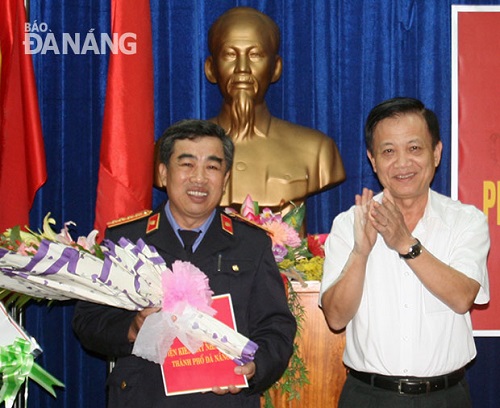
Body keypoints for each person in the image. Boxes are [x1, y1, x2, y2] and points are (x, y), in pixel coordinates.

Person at [73, 119, 296, 408]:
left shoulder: (250, 243)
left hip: (224, 401)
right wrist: (132, 327)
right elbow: (88, 320)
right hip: (144, 399)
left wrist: (255, 367)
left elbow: (276, 326)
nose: (200, 178)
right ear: (164, 173)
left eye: (213, 167)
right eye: (187, 165)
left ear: (226, 178)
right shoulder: (126, 240)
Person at [320, 97, 490, 407]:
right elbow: (335, 317)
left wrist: (405, 244)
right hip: (368, 396)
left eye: (414, 149)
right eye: (388, 151)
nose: (402, 163)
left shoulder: (467, 221)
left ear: (436, 153)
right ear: (373, 160)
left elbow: (463, 296)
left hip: (445, 397)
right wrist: (361, 252)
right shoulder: (349, 224)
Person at [204, 6, 345, 212]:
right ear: (211, 69)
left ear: (276, 68)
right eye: (230, 54)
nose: (242, 68)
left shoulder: (317, 150)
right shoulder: (179, 149)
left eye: (255, 54)